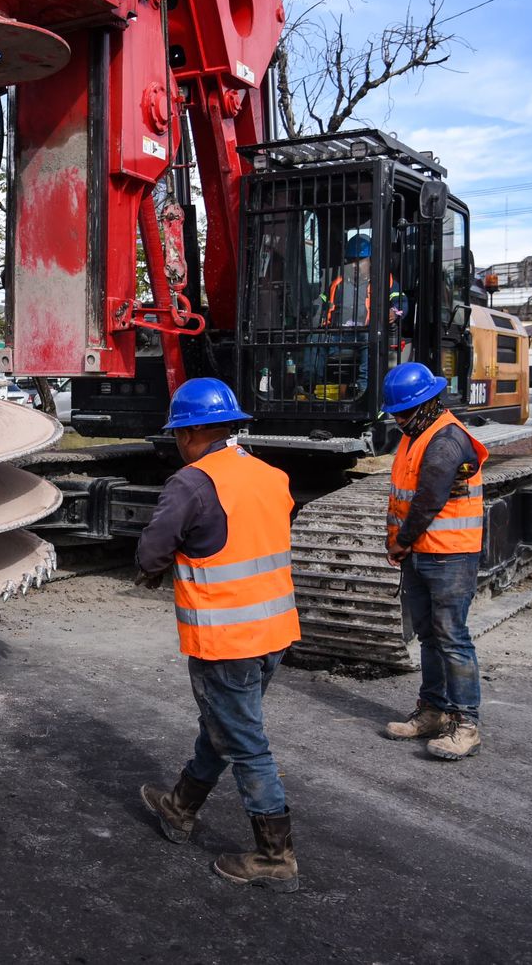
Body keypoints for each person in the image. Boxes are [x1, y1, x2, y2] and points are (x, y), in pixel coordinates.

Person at [135, 378, 302, 893]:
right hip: (273, 631)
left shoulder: (191, 483)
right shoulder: (270, 475)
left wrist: (154, 567)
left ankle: (275, 858)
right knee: (225, 725)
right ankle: (180, 807)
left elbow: (150, 555)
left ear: (190, 433)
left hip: (226, 638)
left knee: (246, 741)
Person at [381, 362, 487, 760]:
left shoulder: (444, 441)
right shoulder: (417, 434)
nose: (398, 419)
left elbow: (428, 501)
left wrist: (401, 542)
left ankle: (465, 724)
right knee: (429, 637)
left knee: (452, 638)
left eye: (403, 412)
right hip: (422, 553)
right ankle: (433, 711)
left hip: (450, 555)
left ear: (426, 404)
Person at [319, 234, 405, 397]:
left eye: (360, 260)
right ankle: (314, 385)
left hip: (366, 332)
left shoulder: (384, 281)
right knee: (315, 339)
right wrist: (318, 312)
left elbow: (400, 301)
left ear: (371, 260)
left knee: (369, 338)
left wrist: (395, 312)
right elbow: (322, 301)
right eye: (351, 261)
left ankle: (364, 388)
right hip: (340, 334)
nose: (355, 265)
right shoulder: (338, 283)